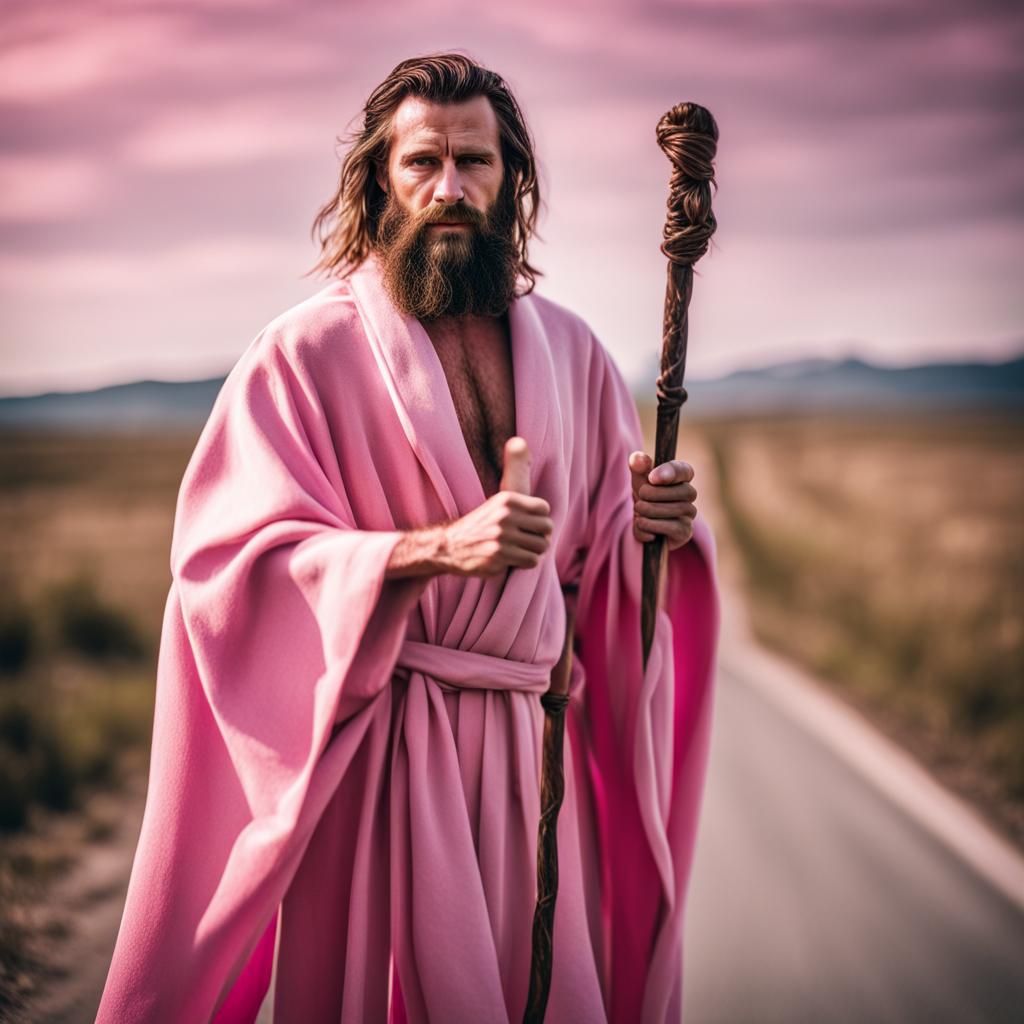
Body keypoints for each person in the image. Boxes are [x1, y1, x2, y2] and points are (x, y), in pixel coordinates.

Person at [96, 53, 720, 1024]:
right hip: (379, 778)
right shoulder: (302, 356)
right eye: (422, 162)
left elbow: (601, 570)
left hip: (528, 770)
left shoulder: (577, 355)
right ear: (379, 179)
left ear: (511, 176)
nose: (449, 189)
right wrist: (429, 550)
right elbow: (228, 566)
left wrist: (653, 533)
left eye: (474, 162)